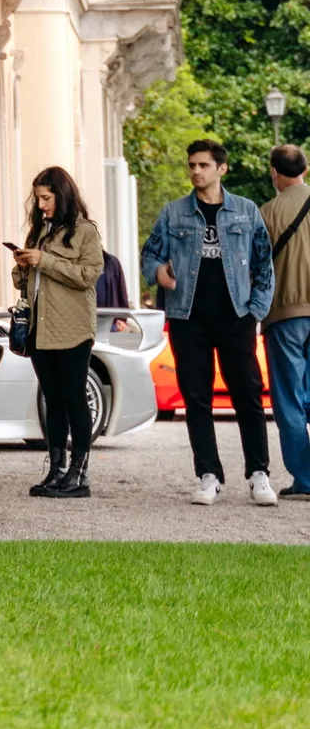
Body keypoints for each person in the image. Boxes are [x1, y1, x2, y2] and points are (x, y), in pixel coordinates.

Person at [141, 139, 276, 506]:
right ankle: (208, 474)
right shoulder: (173, 213)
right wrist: (159, 273)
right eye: (192, 165)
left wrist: (256, 310)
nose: (196, 171)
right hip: (188, 318)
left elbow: (264, 262)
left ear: (221, 169)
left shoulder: (246, 212)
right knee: (196, 398)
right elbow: (149, 254)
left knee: (247, 395)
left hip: (236, 316)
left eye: (203, 165)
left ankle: (258, 474)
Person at [14, 167, 105, 499]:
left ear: (62, 195)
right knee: (52, 401)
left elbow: (89, 275)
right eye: (38, 198)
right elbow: (25, 282)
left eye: (46, 198)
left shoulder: (85, 232)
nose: (40, 206)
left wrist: (44, 260)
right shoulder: (40, 232)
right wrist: (22, 266)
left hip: (73, 329)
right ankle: (57, 469)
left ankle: (79, 475)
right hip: (39, 328)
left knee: (74, 398)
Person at [260, 144, 310, 498]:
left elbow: (256, 267)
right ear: (305, 170)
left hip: (285, 315)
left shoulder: (267, 213)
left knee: (289, 400)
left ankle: (306, 481)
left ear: (274, 173)